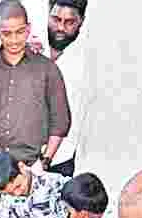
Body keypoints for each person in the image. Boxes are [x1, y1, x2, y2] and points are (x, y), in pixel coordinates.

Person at [0, 0, 70, 200]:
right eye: (7, 33)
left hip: (32, 172)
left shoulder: (47, 69)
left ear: (28, 30)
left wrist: (42, 164)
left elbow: (60, 122)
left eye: (20, 32)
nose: (13, 40)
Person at [45, 0, 86, 177]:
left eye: (69, 22)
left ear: (81, 22)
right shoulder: (30, 49)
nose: (60, 27)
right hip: (21, 158)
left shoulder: (84, 63)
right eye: (56, 19)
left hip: (60, 162)